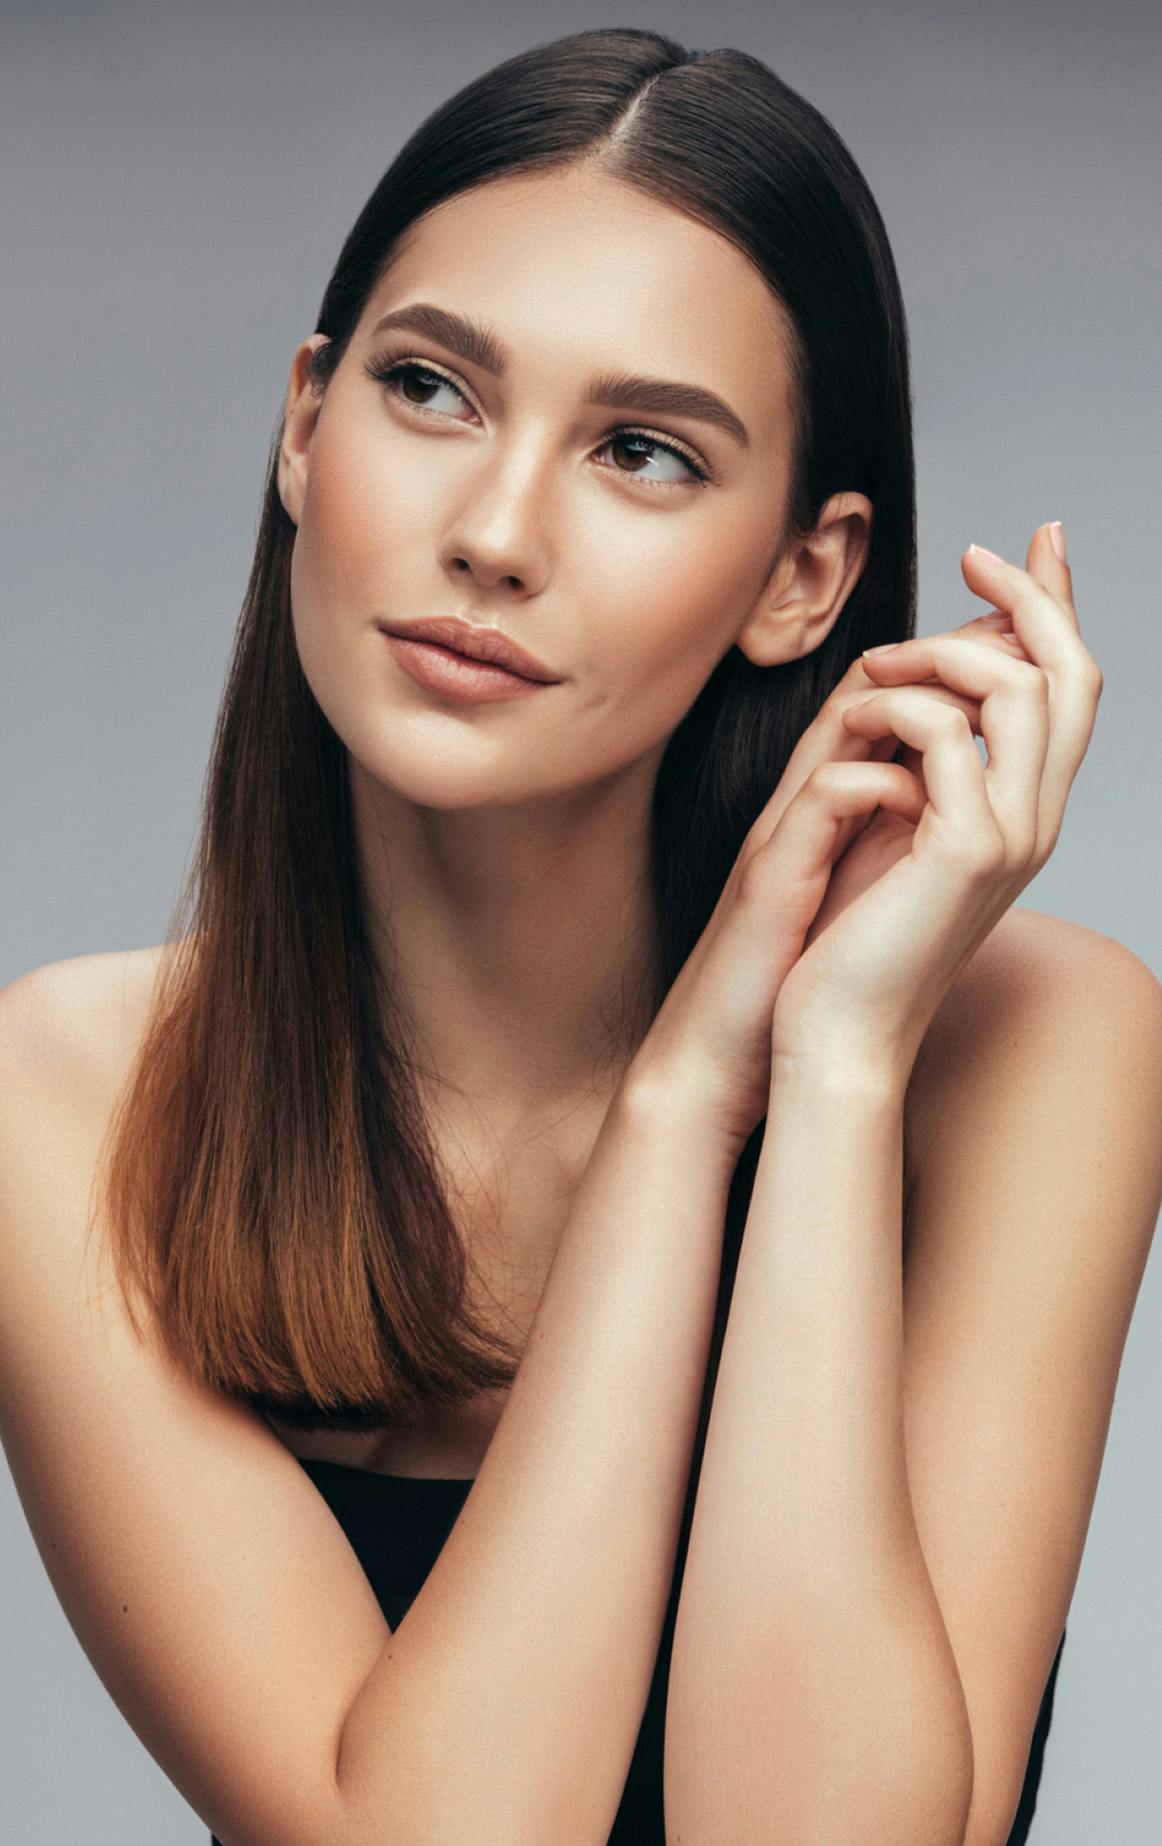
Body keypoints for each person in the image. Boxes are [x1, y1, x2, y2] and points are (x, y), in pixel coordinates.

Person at [0, 24, 1157, 1846]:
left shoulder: (1032, 1043)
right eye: (433, 392)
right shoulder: (61, 1099)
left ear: (805, 578)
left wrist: (826, 1064)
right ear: (305, 425)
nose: (495, 531)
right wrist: (683, 1092)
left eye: (639, 450)